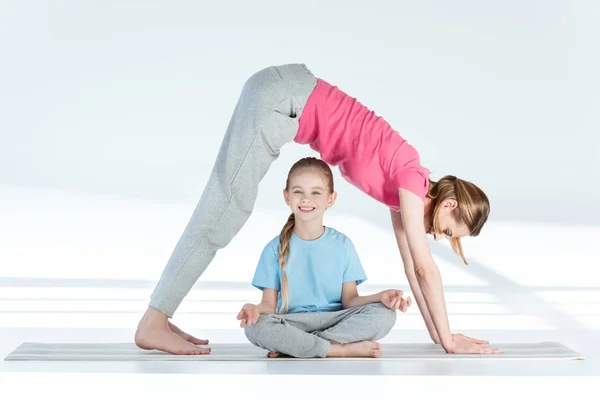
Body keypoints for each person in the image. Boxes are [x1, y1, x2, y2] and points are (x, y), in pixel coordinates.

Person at [134, 63, 499, 355]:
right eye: (447, 229)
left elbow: (411, 268)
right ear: (448, 204)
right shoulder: (411, 180)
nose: (436, 235)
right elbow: (425, 268)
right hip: (285, 97)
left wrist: (440, 336)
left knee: (227, 203)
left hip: (286, 96)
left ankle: (159, 318)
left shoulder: (404, 190)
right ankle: (154, 319)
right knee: (226, 208)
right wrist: (451, 341)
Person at [237, 157, 410, 358]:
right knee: (255, 327)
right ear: (287, 197)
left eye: (316, 193)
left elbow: (350, 300)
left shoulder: (342, 244)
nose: (306, 199)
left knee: (385, 314)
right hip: (294, 322)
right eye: (298, 191)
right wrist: (253, 309)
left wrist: (380, 297)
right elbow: (268, 305)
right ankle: (338, 349)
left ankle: (297, 346)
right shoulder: (273, 248)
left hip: (336, 320)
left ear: (330, 198)